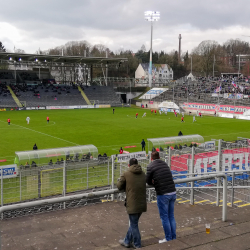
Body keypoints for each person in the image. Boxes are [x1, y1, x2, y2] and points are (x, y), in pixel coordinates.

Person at [146, 151, 176, 243]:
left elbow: (147, 181)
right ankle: (173, 237)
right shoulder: (165, 164)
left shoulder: (150, 166)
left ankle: (168, 238)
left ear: (151, 158)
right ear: (159, 157)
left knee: (164, 217)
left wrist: (153, 183)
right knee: (171, 216)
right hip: (173, 192)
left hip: (163, 194)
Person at [117, 158, 147, 248]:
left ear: (129, 165)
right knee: (134, 223)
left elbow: (119, 186)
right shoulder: (143, 173)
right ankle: (126, 241)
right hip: (142, 203)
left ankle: (137, 244)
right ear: (137, 164)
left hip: (133, 204)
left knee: (134, 224)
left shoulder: (126, 174)